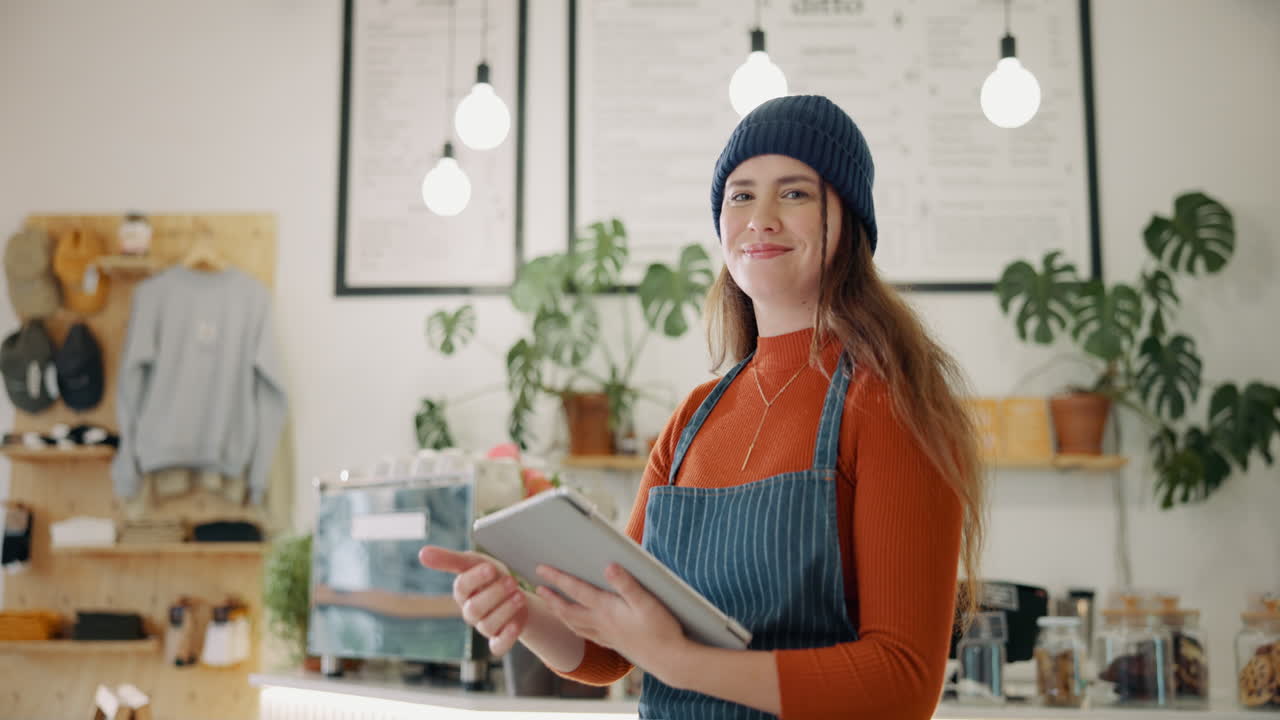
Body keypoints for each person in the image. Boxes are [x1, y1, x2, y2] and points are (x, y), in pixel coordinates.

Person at [420, 94, 986, 719]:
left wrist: (678, 662)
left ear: (848, 219)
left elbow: (900, 685)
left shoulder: (888, 400)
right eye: (741, 195)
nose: (761, 218)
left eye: (794, 193)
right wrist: (525, 611)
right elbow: (610, 653)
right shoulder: (693, 419)